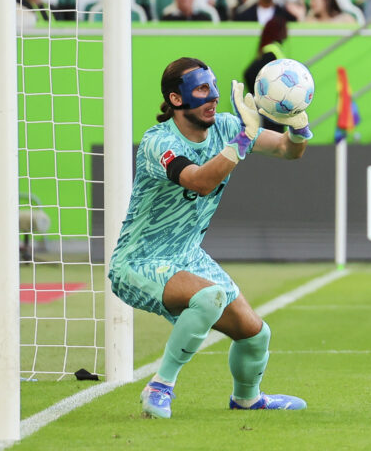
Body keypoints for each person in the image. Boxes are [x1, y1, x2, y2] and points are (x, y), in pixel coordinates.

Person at [108, 56, 313, 419]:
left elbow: (287, 150)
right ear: (175, 99)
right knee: (209, 298)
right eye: (202, 89)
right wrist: (243, 139)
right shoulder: (158, 143)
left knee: (255, 335)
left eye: (214, 87)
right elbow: (200, 182)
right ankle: (160, 386)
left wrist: (297, 128)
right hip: (140, 261)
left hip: (188, 255)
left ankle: (248, 398)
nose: (213, 96)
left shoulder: (227, 127)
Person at [243, 17, 289, 132]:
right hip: (272, 105)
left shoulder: (273, 50)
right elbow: (249, 73)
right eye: (284, 28)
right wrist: (260, 97)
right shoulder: (271, 52)